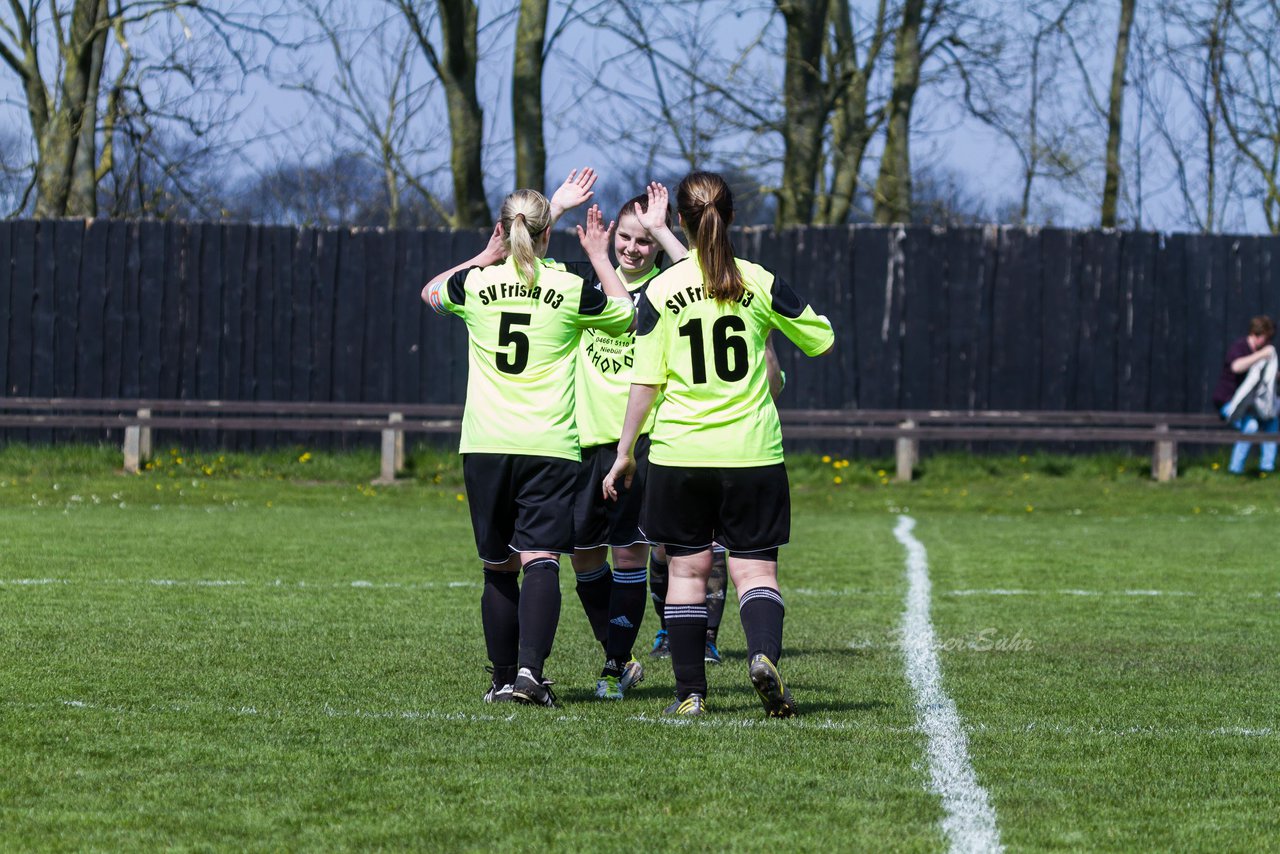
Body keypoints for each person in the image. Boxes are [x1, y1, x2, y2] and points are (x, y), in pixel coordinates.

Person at [603, 171, 834, 718]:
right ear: (730, 219)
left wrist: (625, 451)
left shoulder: (660, 289)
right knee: (755, 571)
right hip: (752, 452)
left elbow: (645, 381)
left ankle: (690, 696)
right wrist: (766, 328)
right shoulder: (758, 280)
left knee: (685, 571)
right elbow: (821, 337)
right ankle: (762, 656)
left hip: (682, 454)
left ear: (680, 221)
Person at [421, 177, 634, 708]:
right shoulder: (566, 288)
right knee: (541, 559)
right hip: (548, 444)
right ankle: (529, 676)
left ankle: (498, 681)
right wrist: (600, 257)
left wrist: (484, 255)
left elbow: (431, 290)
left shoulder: (475, 286)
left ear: (502, 230)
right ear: (545, 238)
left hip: (486, 443)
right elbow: (626, 313)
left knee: (498, 565)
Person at [568, 183, 687, 700]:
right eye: (625, 238)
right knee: (582, 555)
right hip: (582, 440)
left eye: (644, 241)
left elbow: (707, 277)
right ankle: (618, 652)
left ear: (658, 246)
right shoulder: (585, 285)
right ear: (610, 233)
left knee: (630, 555)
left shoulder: (670, 291)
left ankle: (614, 666)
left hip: (640, 445)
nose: (633, 249)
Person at [1212, 315, 1278, 475]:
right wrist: (1261, 356)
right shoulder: (1240, 347)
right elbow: (1236, 366)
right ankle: (1235, 469)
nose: (1267, 343)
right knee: (1251, 426)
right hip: (1228, 402)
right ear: (1256, 335)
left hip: (1250, 405)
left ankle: (1266, 468)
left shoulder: (1262, 351)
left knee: (1272, 421)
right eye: (1266, 338)